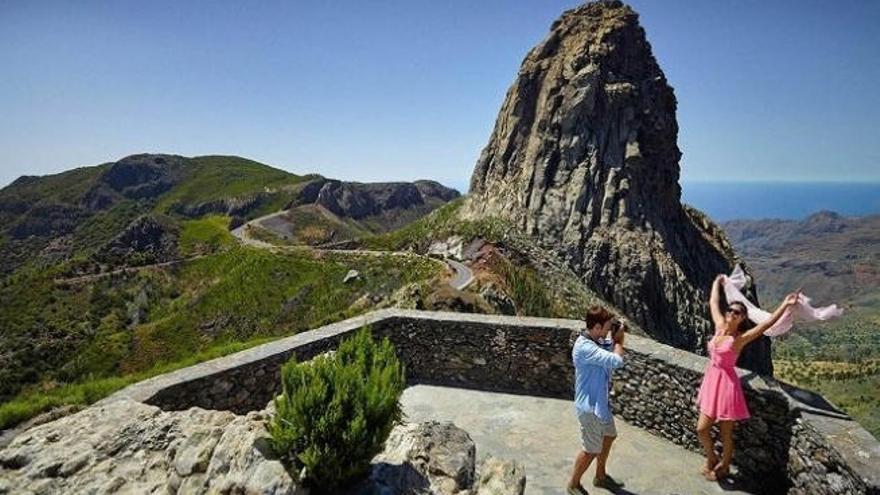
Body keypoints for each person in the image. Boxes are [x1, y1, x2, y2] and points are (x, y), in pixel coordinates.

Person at [696, 275, 800, 481]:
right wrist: (717, 283)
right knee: (701, 428)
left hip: (726, 385)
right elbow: (713, 302)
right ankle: (711, 458)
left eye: (738, 313)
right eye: (731, 310)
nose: (732, 314)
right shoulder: (718, 326)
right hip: (711, 382)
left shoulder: (739, 340)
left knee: (726, 434)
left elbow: (766, 324)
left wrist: (785, 304)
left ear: (742, 318)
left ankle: (724, 466)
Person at [567, 306, 626, 495]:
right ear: (598, 326)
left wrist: (612, 336)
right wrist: (619, 341)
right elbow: (615, 361)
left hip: (600, 405)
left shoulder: (594, 339)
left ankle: (600, 476)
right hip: (589, 408)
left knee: (609, 435)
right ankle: (573, 484)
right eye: (607, 327)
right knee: (590, 449)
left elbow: (605, 347)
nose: (609, 331)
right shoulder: (585, 347)